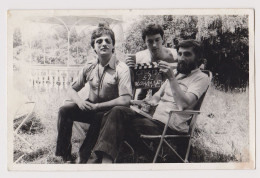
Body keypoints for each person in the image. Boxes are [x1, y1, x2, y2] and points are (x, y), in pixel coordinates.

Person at [87, 39, 210, 163]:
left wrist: (171, 78)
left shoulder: (201, 78)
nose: (182, 58)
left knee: (116, 116)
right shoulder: (177, 73)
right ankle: (97, 159)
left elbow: (183, 105)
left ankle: (100, 164)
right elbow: (156, 97)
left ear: (198, 57)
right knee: (105, 115)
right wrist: (144, 102)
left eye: (187, 54)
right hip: (153, 120)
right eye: (180, 54)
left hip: (168, 126)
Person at [55, 23, 132, 163]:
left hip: (110, 112)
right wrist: (79, 102)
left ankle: (84, 156)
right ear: (94, 47)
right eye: (99, 41)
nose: (104, 44)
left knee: (98, 116)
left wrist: (98, 106)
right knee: (64, 110)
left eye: (108, 41)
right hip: (90, 106)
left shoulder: (122, 68)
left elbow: (125, 100)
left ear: (113, 46)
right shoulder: (89, 66)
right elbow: (71, 89)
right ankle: (65, 155)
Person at [125, 23, 178, 100]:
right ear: (144, 42)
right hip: (148, 98)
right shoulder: (139, 57)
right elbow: (132, 84)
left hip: (170, 97)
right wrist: (129, 69)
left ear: (163, 38)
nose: (154, 45)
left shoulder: (175, 55)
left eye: (157, 40)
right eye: (150, 41)